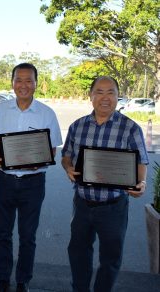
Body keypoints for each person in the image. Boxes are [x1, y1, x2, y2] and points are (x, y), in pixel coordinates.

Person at [61, 76, 148, 292]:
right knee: (78, 252)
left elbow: (141, 161)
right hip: (82, 203)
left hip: (113, 206)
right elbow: (67, 155)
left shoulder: (131, 128)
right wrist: (68, 168)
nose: (105, 97)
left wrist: (141, 182)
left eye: (111, 92)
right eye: (99, 92)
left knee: (110, 257)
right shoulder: (77, 126)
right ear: (91, 96)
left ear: (118, 97)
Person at [0, 63, 62, 292]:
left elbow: (52, 149)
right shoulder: (0, 109)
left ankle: (22, 281)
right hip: (5, 181)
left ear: (36, 83)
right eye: (19, 80)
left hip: (33, 183)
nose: (23, 85)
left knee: (28, 236)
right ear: (12, 83)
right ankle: (3, 278)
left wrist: (39, 159)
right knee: (2, 234)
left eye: (29, 80)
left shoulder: (47, 113)